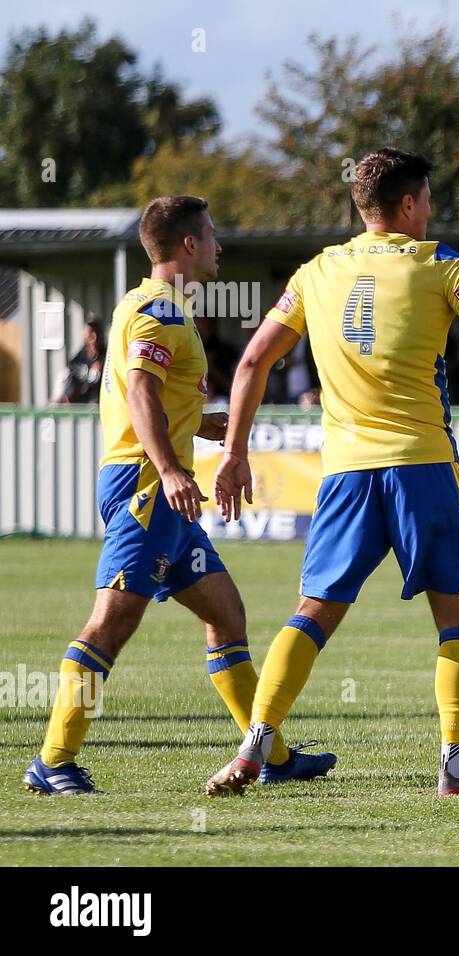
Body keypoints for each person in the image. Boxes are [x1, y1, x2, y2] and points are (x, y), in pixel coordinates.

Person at [203, 148, 459, 796]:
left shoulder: (317, 272)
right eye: (430, 199)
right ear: (412, 204)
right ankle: (455, 768)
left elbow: (251, 364)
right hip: (424, 468)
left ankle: (255, 743)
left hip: (347, 475)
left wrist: (236, 452)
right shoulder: (441, 264)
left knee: (314, 611)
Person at [23, 196, 332, 795]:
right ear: (188, 244)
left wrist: (199, 424)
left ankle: (270, 755)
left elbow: (155, 397)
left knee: (226, 614)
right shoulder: (159, 310)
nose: (219, 246)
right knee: (109, 623)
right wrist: (168, 468)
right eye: (212, 235)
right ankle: (53, 760)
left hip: (158, 487)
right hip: (147, 486)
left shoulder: (158, 308)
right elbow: (139, 390)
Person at [56, 320, 105, 404]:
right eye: (90, 333)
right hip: (78, 400)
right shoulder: (81, 355)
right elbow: (70, 371)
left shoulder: (105, 355)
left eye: (96, 333)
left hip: (97, 401)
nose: (94, 337)